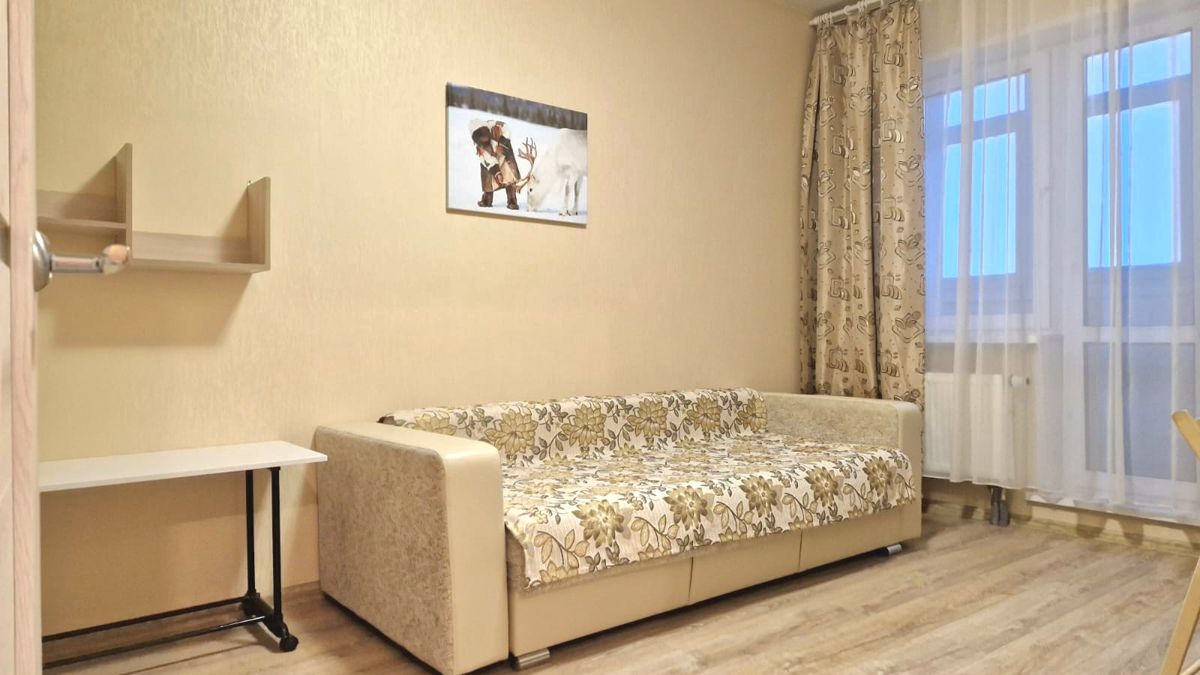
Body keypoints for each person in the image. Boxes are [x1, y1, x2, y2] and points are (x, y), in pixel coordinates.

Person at [469, 119, 521, 210]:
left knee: (509, 176)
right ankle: (487, 200)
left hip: (505, 155)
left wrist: (501, 143)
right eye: (482, 138)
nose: (485, 139)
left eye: (485, 136)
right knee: (488, 177)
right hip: (492, 161)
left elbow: (506, 128)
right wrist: (497, 173)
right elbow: (489, 160)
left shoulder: (493, 125)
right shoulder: (480, 147)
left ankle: (512, 200)